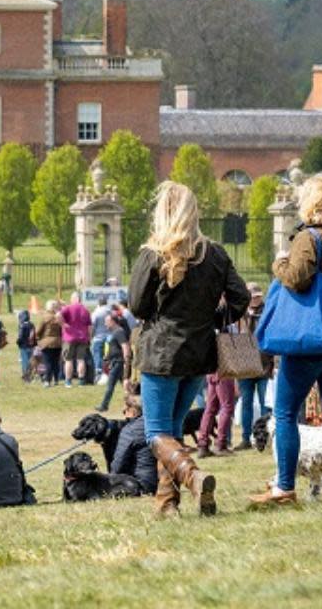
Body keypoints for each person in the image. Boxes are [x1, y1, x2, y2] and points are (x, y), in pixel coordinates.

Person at [130, 181, 249, 518]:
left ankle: (193, 477)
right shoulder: (215, 253)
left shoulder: (153, 253)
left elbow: (137, 305)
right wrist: (211, 318)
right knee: (174, 428)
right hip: (200, 352)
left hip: (161, 352)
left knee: (156, 434)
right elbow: (240, 299)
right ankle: (167, 504)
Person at [251, 173, 322, 507]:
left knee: (285, 412)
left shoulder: (308, 238)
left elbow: (298, 279)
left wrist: (279, 264)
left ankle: (284, 487)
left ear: (309, 203)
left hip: (310, 340)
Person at [235, 283, 272, 450]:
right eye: (253, 296)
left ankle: (265, 437)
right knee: (246, 403)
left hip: (265, 363)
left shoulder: (268, 311)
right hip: (244, 363)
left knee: (266, 403)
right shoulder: (239, 313)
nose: (256, 299)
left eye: (258, 296)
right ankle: (245, 438)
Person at [111, 392, 158, 495]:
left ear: (132, 410)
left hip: (140, 485)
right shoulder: (159, 424)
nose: (124, 415)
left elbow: (118, 464)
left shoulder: (130, 430)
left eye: (124, 411)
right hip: (165, 483)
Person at [95, 312, 131, 413]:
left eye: (107, 322)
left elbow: (125, 346)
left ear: (112, 322)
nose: (105, 324)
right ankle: (132, 404)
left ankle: (104, 405)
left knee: (110, 385)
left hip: (118, 363)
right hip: (114, 362)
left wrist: (126, 361)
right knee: (126, 386)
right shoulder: (114, 332)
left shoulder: (119, 332)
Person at [59, 292, 93, 387]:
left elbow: (58, 315)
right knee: (81, 360)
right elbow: (90, 326)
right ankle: (81, 380)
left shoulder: (68, 308)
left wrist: (62, 324)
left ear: (74, 299)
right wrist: (89, 337)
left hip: (69, 338)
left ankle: (68, 381)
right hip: (82, 338)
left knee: (68, 360)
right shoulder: (86, 310)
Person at [35, 301, 64, 387]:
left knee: (48, 362)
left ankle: (47, 380)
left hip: (47, 343)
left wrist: (38, 338)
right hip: (58, 342)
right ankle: (56, 379)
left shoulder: (44, 317)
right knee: (56, 362)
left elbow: (38, 330)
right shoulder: (59, 317)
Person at [15, 309, 36, 382]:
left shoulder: (22, 326)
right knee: (31, 361)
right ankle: (30, 375)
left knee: (25, 361)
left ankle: (26, 376)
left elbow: (20, 337)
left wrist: (18, 342)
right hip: (31, 345)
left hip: (24, 346)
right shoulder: (32, 324)